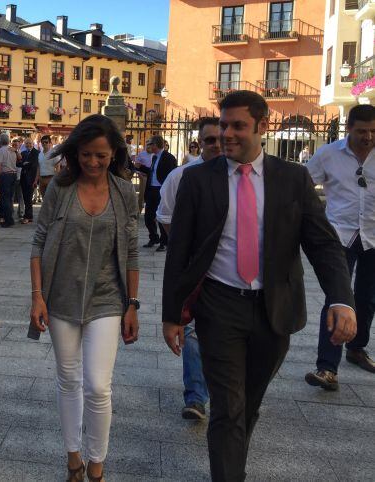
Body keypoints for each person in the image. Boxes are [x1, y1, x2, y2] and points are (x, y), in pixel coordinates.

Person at [161, 91, 356, 482]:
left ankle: (233, 464)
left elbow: (322, 244)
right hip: (219, 306)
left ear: (263, 126)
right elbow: (179, 251)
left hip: (274, 309)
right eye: (223, 125)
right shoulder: (198, 180)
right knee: (227, 408)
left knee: (247, 404)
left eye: (238, 126)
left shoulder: (293, 179)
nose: (227, 134)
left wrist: (341, 299)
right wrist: (172, 315)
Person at [29, 114, 140, 482]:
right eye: (87, 154)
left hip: (107, 298)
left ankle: (97, 463)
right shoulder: (60, 188)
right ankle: (73, 457)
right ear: (76, 152)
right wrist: (37, 297)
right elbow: (38, 242)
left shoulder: (124, 192)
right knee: (68, 379)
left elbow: (132, 252)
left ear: (114, 155)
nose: (93, 162)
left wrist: (132, 305)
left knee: (98, 386)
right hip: (60, 296)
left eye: (101, 156)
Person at [304, 104, 375, 391]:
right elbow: (303, 185)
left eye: (373, 131)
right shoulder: (328, 154)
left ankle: (357, 348)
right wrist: (315, 218)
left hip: (373, 235)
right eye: (362, 131)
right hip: (339, 236)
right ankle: (327, 367)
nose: (368, 137)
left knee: (368, 297)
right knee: (338, 298)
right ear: (348, 128)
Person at [156, 117, 221, 421]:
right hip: (196, 270)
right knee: (193, 332)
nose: (217, 146)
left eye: (221, 139)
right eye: (210, 140)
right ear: (199, 143)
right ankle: (196, 396)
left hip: (235, 273)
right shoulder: (181, 176)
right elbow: (165, 216)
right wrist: (185, 249)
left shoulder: (243, 177)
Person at [135, 136, 177, 252]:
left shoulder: (169, 158)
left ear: (156, 145)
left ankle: (164, 242)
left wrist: (168, 190)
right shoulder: (154, 157)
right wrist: (139, 167)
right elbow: (151, 172)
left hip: (162, 190)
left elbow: (171, 175)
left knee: (161, 216)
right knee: (148, 216)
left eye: (150, 144)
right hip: (151, 190)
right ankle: (154, 238)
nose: (148, 146)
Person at [0, 133, 19, 228]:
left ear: (0, 141)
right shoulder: (13, 150)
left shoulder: (0, 151)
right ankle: (10, 218)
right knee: (9, 198)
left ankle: (8, 220)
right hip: (13, 174)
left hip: (5, 175)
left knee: (5, 198)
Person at [17, 137, 39, 224]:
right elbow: (18, 164)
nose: (28, 145)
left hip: (31, 179)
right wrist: (24, 164)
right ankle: (29, 216)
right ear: (24, 144)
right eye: (26, 143)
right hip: (23, 179)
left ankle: (27, 216)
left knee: (28, 198)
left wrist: (24, 164)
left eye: (30, 143)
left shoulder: (36, 153)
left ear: (33, 144)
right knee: (25, 198)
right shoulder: (23, 153)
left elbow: (33, 165)